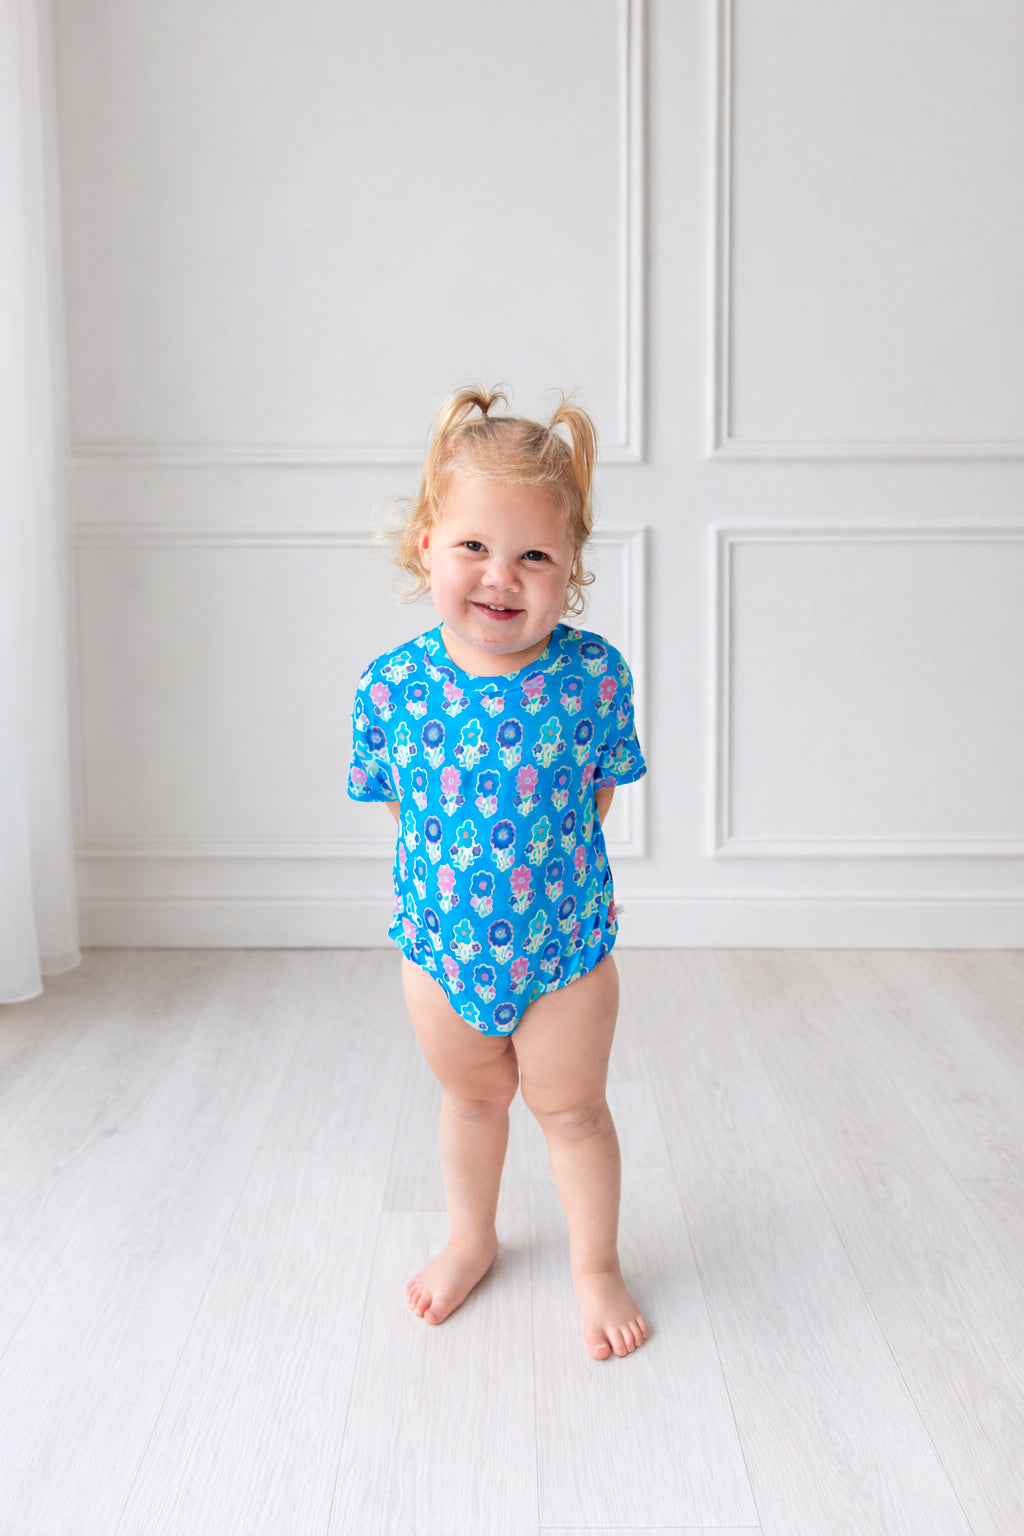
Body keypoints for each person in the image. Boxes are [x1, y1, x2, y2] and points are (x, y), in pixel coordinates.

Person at [348, 386, 648, 1360]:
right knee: (471, 1102)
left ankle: (596, 1265)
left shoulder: (594, 676)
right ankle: (470, 1238)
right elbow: (406, 809)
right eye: (474, 547)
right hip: (442, 951)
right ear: (427, 542)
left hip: (563, 949)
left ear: (570, 568)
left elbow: (597, 794)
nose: (501, 577)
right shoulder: (391, 686)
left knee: (573, 1110)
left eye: (533, 556)